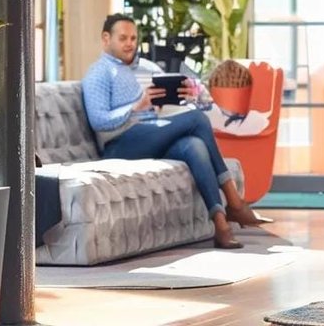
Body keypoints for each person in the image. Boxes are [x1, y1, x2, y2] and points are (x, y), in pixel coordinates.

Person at [82, 14, 271, 249]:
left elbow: (163, 107)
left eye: (133, 38)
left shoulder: (148, 68)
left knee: (194, 145)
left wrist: (181, 97)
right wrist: (136, 106)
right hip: (120, 144)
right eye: (123, 38)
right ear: (106, 38)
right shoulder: (99, 73)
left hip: (151, 135)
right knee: (196, 119)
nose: (130, 43)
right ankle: (235, 202)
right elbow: (99, 121)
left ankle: (221, 225)